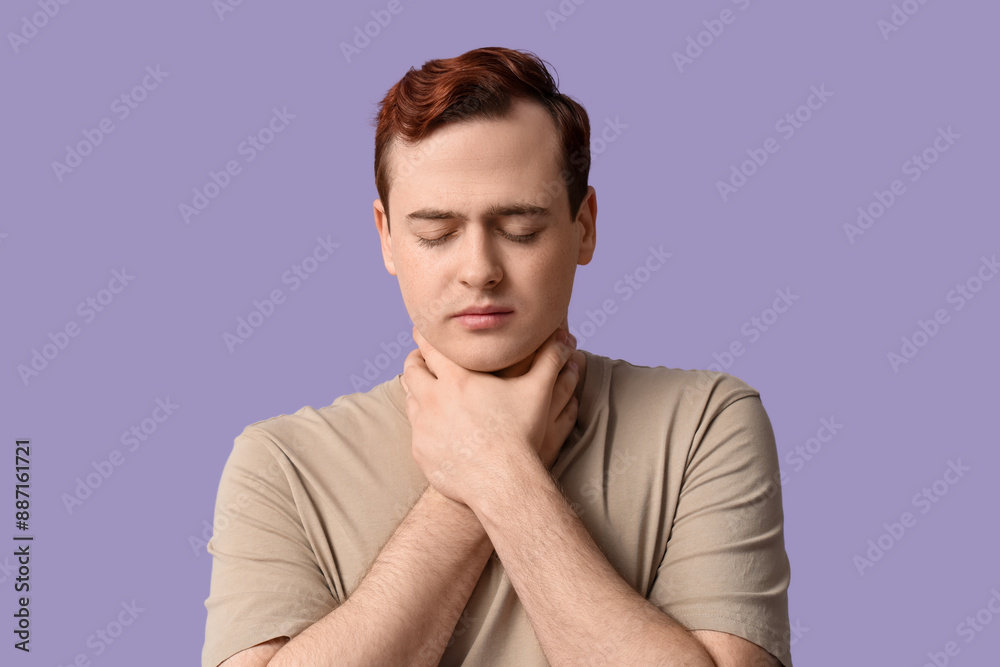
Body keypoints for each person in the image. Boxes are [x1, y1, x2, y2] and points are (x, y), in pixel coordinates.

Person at [202, 46, 793, 667]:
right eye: (436, 232)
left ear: (584, 225)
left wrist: (500, 474)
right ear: (387, 238)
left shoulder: (706, 422)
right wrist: (475, 478)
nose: (479, 270)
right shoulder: (280, 464)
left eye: (520, 228)